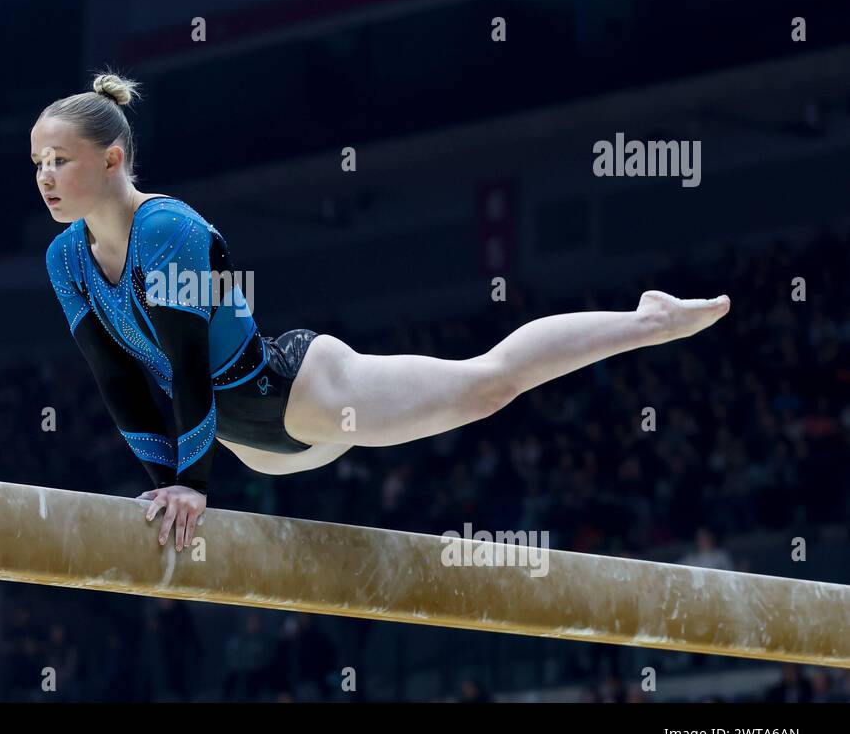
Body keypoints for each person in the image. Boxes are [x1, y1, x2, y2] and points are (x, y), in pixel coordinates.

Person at [36, 72, 731, 551]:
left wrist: (192, 482)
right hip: (261, 447)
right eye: (37, 162)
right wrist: (166, 485)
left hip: (301, 392)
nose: (45, 177)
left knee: (484, 384)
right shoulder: (65, 260)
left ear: (112, 158)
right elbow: (122, 381)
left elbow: (187, 364)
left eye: (60, 159)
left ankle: (648, 319)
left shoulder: (170, 231)